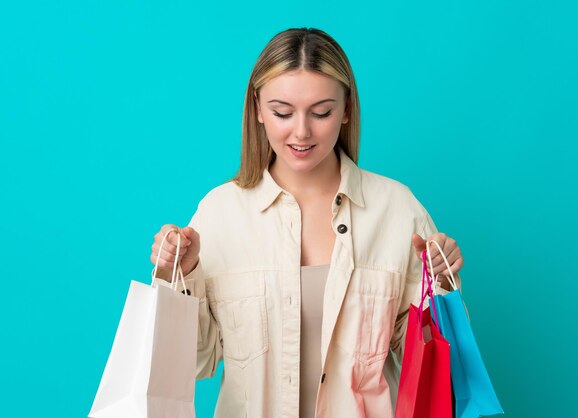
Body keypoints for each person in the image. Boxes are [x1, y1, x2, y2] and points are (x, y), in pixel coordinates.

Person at [150, 27, 464, 418]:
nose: (301, 131)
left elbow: (433, 365)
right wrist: (182, 273)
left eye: (321, 112)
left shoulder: (398, 210)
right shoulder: (219, 213)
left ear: (346, 109)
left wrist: (441, 283)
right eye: (282, 112)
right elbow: (195, 362)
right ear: (257, 109)